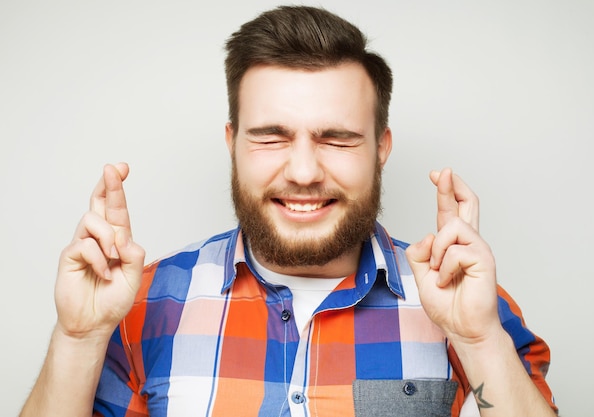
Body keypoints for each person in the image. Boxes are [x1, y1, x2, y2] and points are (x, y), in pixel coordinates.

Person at [20, 5, 558, 417]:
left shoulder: (466, 300)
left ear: (381, 147)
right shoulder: (140, 304)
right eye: (271, 137)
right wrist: (78, 338)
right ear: (232, 143)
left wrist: (479, 339)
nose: (303, 171)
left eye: (337, 139)